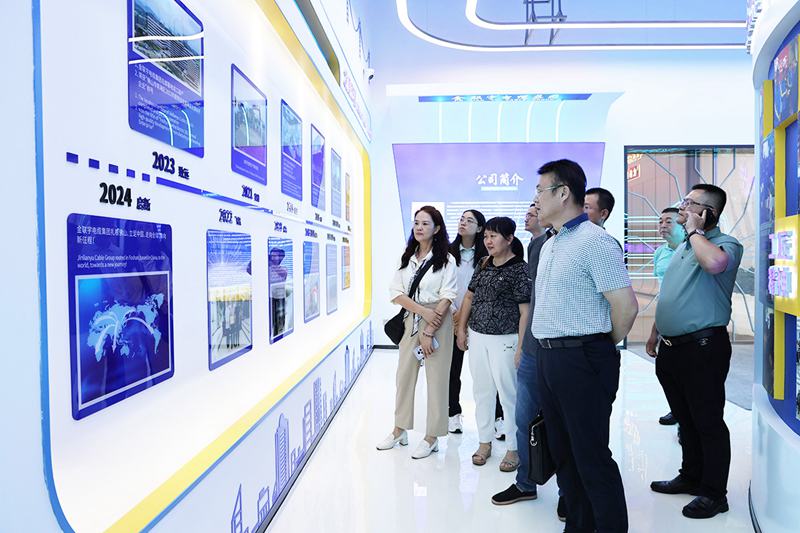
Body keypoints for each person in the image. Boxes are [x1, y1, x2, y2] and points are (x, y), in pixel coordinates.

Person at [532, 159, 638, 532]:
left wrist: (597, 346)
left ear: (563, 193)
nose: (536, 199)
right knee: (563, 454)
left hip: (582, 358)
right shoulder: (551, 244)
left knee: (591, 456)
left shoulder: (595, 241)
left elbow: (626, 307)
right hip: (549, 358)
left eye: (540, 190)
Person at [647, 184, 743, 519]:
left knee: (707, 421)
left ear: (707, 212)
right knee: (685, 418)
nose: (682, 207)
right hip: (672, 348)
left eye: (689, 203)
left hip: (703, 348)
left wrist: (694, 231)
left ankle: (714, 494)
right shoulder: (684, 247)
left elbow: (715, 264)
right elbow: (672, 292)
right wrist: (656, 331)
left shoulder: (724, 244)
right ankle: (690, 476)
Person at [492, 204, 565, 515]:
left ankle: (568, 491)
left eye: (540, 198)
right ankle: (525, 483)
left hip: (563, 351)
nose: (533, 208)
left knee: (562, 424)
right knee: (523, 420)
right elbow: (532, 302)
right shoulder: (538, 245)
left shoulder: (584, 243)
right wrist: (523, 345)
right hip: (535, 349)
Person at [378, 206, 458, 459]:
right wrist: (422, 312)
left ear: (437, 228)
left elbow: (448, 295)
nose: (419, 227)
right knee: (404, 375)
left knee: (437, 378)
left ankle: (432, 436)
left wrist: (430, 327)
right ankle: (399, 429)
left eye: (425, 223)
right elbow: (396, 293)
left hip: (439, 319)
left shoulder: (447, 259)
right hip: (412, 318)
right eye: (416, 223)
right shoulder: (407, 258)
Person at [456, 217, 531, 472]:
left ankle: (513, 447)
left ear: (509, 239)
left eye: (494, 236)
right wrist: (461, 329)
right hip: (478, 336)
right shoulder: (483, 263)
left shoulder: (519, 269)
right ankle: (484, 442)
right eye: (486, 236)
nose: (488, 241)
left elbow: (525, 312)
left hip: (506, 340)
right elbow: (469, 297)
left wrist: (521, 347)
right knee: (482, 392)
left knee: (509, 395)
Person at [447, 209, 488, 434]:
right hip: (450, 317)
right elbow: (443, 285)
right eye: (461, 219)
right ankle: (453, 413)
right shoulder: (447, 253)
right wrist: (454, 312)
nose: (463, 223)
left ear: (480, 228)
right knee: (452, 370)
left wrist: (467, 315)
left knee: (486, 372)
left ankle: (497, 417)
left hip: (478, 320)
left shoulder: (486, 256)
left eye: (469, 220)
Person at [652, 207, 685, 426]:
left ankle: (686, 420)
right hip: (667, 321)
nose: (663, 226)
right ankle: (678, 410)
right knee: (667, 372)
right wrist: (654, 331)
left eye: (669, 222)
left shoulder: (691, 251)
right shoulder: (660, 253)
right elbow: (661, 293)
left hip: (688, 322)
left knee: (688, 375)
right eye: (660, 222)